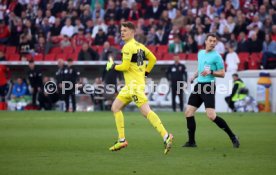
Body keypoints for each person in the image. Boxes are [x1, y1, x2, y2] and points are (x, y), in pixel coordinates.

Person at [106, 22, 173, 154]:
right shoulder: (140, 47)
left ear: (132, 32)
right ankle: (121, 139)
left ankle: (166, 136)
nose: (122, 32)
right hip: (131, 86)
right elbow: (153, 59)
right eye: (121, 30)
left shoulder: (127, 47)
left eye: (125, 30)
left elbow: (125, 67)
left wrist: (112, 66)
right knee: (115, 107)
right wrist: (145, 73)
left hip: (134, 87)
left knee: (146, 112)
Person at [183, 33, 240, 148]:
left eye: (215, 41)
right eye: (211, 40)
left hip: (208, 86)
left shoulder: (217, 56)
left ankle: (233, 136)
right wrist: (194, 76)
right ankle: (191, 142)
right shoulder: (200, 53)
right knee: (188, 112)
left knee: (211, 115)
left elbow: (223, 73)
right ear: (206, 41)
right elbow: (200, 69)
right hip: (199, 85)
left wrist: (211, 72)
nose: (213, 43)